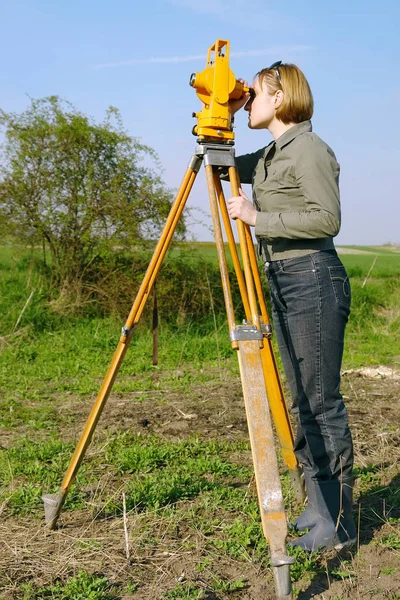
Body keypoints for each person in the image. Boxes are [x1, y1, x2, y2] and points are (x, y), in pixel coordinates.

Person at [225, 62, 356, 552]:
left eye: (255, 94)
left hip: (313, 280)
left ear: (279, 98)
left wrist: (260, 217)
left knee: (320, 402)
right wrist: (228, 111)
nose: (250, 99)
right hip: (282, 280)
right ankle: (317, 505)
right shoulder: (270, 155)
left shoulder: (310, 150)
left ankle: (338, 521)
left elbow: (327, 218)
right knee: (301, 399)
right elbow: (223, 164)